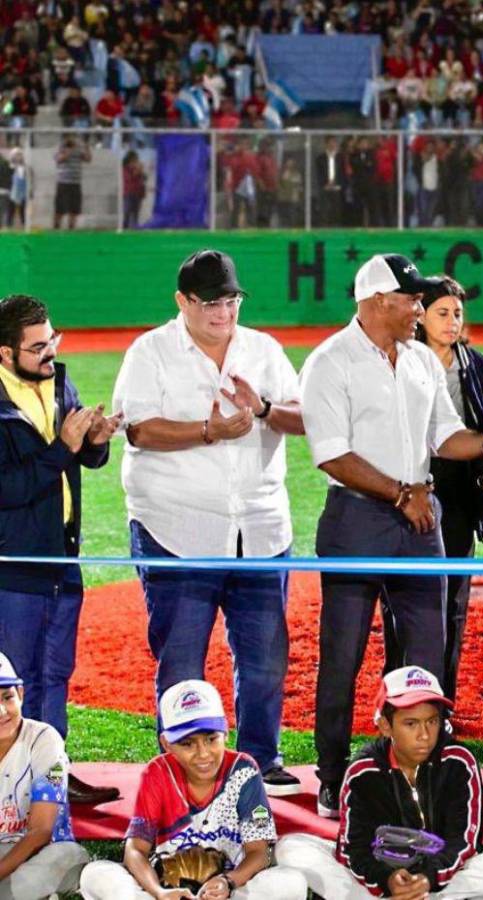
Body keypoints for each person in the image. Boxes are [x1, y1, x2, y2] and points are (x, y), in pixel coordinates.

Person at [299, 253, 483, 819]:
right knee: (343, 656)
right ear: (378, 300)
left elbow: (444, 435)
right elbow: (331, 455)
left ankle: (420, 769)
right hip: (360, 517)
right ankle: (332, 776)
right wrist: (399, 494)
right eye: (411, 300)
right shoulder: (329, 362)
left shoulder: (419, 362)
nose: (418, 310)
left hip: (419, 516)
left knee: (427, 656)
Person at [111, 250, 307, 797]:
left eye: (231, 300)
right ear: (183, 302)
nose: (224, 312)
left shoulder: (263, 349)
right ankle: (180, 764)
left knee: (265, 656)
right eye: (211, 302)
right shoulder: (150, 351)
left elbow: (304, 416)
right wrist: (208, 431)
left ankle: (262, 758)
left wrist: (265, 409)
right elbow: (140, 430)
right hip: (176, 530)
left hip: (262, 530)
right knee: (181, 657)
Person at [0, 293, 122, 807]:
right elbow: (8, 489)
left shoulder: (57, 380)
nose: (50, 353)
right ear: (6, 354)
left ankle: (53, 776)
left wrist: (95, 441)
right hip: (16, 567)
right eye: (37, 347)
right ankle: (10, 787)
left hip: (61, 559)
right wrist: (63, 449)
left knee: (55, 674)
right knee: (14, 682)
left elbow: (83, 461)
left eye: (51, 340)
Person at [276, 666, 483, 900]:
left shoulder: (458, 762)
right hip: (385, 868)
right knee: (292, 849)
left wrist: (427, 878)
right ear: (385, 726)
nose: (425, 735)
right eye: (411, 724)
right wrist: (387, 878)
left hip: (439, 871)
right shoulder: (363, 772)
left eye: (432, 721)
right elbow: (355, 849)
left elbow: (464, 842)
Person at [388, 275, 483, 701]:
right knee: (403, 598)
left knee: (453, 601)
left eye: (458, 313)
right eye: (443, 313)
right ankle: (398, 697)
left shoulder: (475, 364)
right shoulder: (400, 359)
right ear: (421, 315)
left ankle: (441, 702)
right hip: (409, 486)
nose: (452, 321)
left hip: (461, 489)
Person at [77, 680, 309, 900]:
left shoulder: (243, 770)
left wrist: (229, 881)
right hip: (169, 890)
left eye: (211, 739)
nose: (203, 753)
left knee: (291, 882)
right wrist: (159, 892)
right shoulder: (157, 772)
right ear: (167, 743)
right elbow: (135, 849)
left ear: (225, 733)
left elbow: (260, 852)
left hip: (231, 890)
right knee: (95, 874)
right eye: (187, 743)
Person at [0, 653, 90, 899]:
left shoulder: (44, 738)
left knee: (68, 857)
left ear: (20, 693)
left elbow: (40, 831)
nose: (2, 711)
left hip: (42, 850)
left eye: (7, 697)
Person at [53, 135, 90, 231]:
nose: (72, 139)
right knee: (59, 208)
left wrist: (86, 148)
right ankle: (56, 226)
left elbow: (88, 159)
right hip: (63, 182)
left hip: (75, 183)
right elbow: (58, 159)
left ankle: (71, 227)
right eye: (69, 137)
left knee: (74, 208)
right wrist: (68, 152)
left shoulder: (78, 149)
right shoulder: (61, 148)